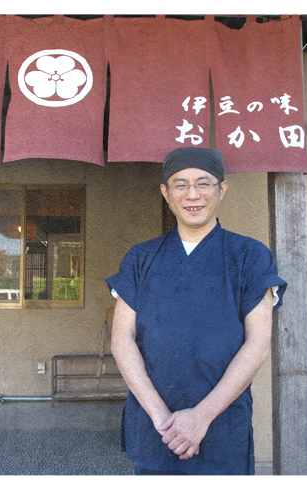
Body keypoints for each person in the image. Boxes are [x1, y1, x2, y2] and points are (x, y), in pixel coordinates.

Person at [106, 146, 287, 477]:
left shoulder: (249, 256)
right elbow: (121, 338)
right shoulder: (141, 258)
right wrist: (163, 419)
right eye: (180, 184)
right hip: (155, 424)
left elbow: (258, 343)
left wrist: (201, 416)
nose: (193, 195)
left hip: (221, 421)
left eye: (204, 183)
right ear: (165, 192)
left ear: (222, 189)